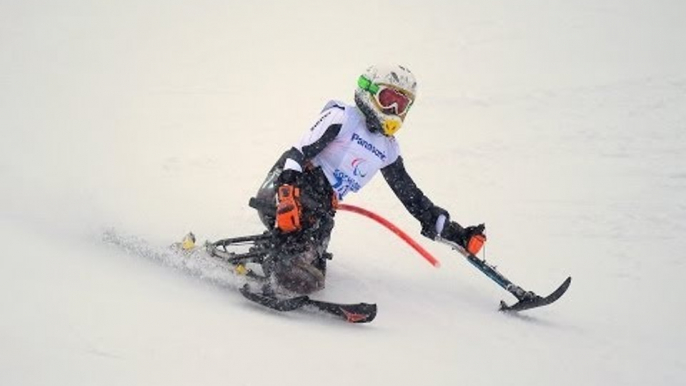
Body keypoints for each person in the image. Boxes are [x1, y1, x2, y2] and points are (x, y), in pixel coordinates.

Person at [253, 64, 486, 295]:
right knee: (314, 219)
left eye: (402, 105)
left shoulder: (388, 148)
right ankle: (285, 261)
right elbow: (298, 153)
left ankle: (286, 258)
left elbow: (411, 196)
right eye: (388, 99)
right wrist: (286, 193)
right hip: (287, 190)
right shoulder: (343, 118)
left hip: (320, 210)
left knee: (315, 274)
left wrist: (457, 235)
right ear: (369, 92)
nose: (394, 110)